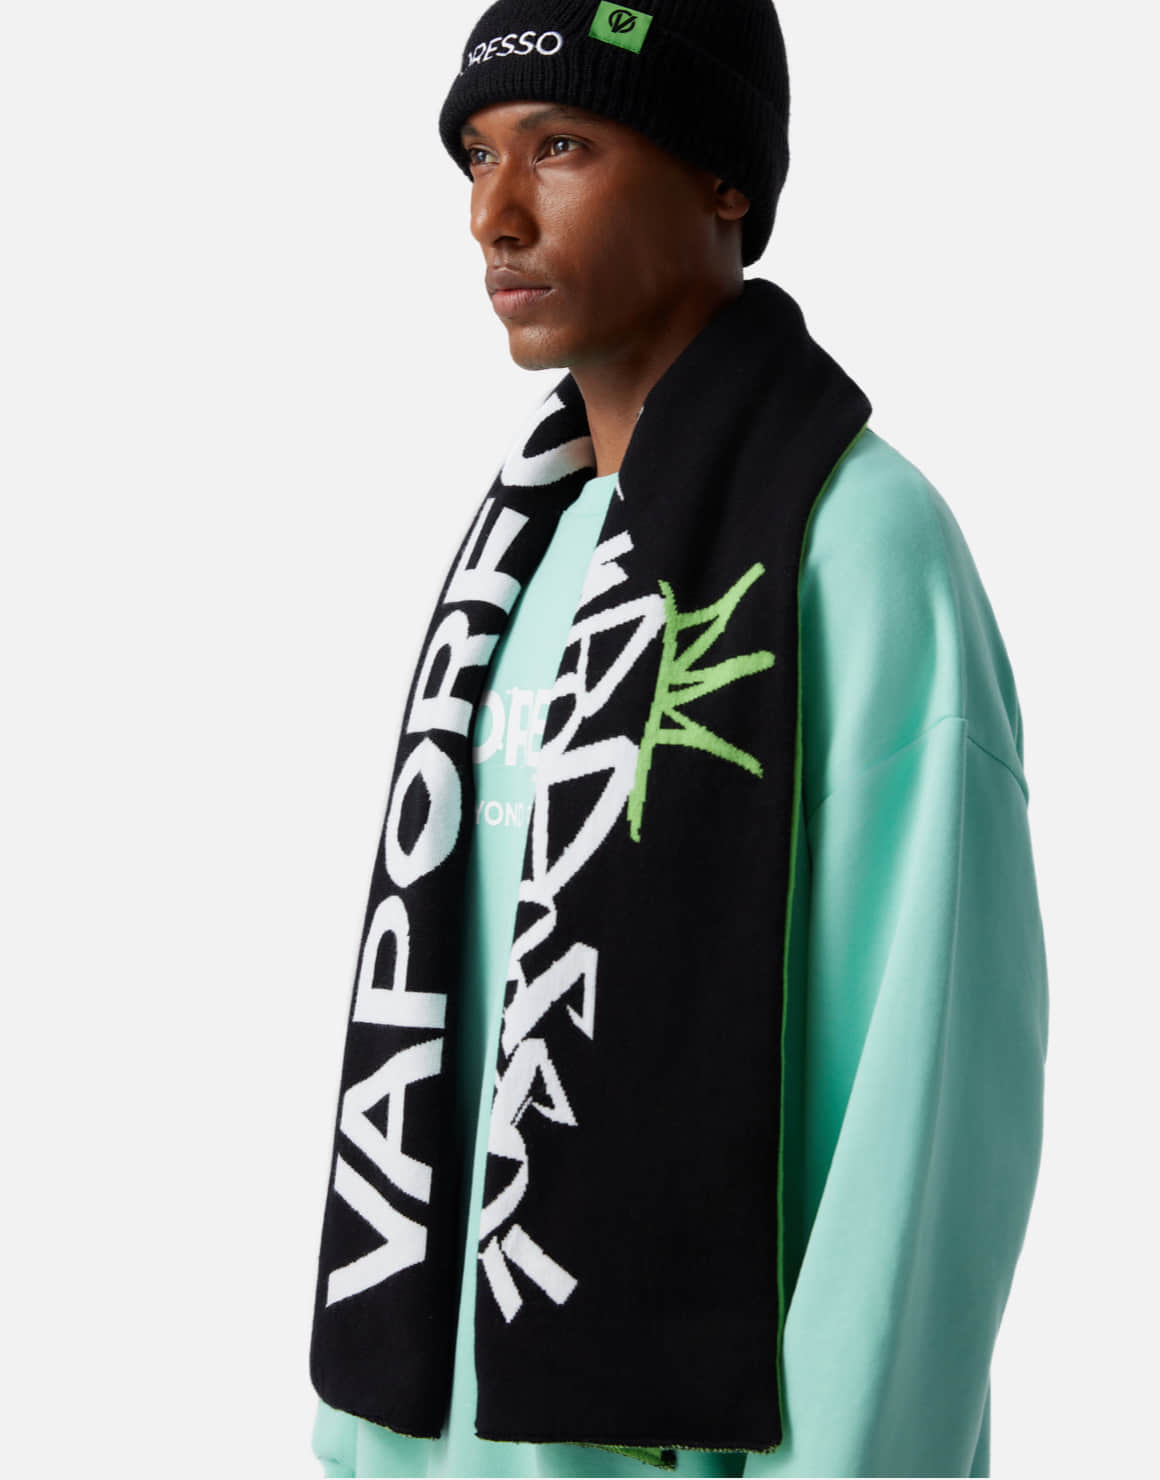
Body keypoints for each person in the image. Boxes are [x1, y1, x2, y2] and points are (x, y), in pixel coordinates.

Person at [308, 2, 1049, 1476]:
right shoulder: (516, 555)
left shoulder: (856, 542)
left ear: (726, 179)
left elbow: (931, 1106)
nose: (493, 216)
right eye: (477, 156)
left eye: (561, 148)